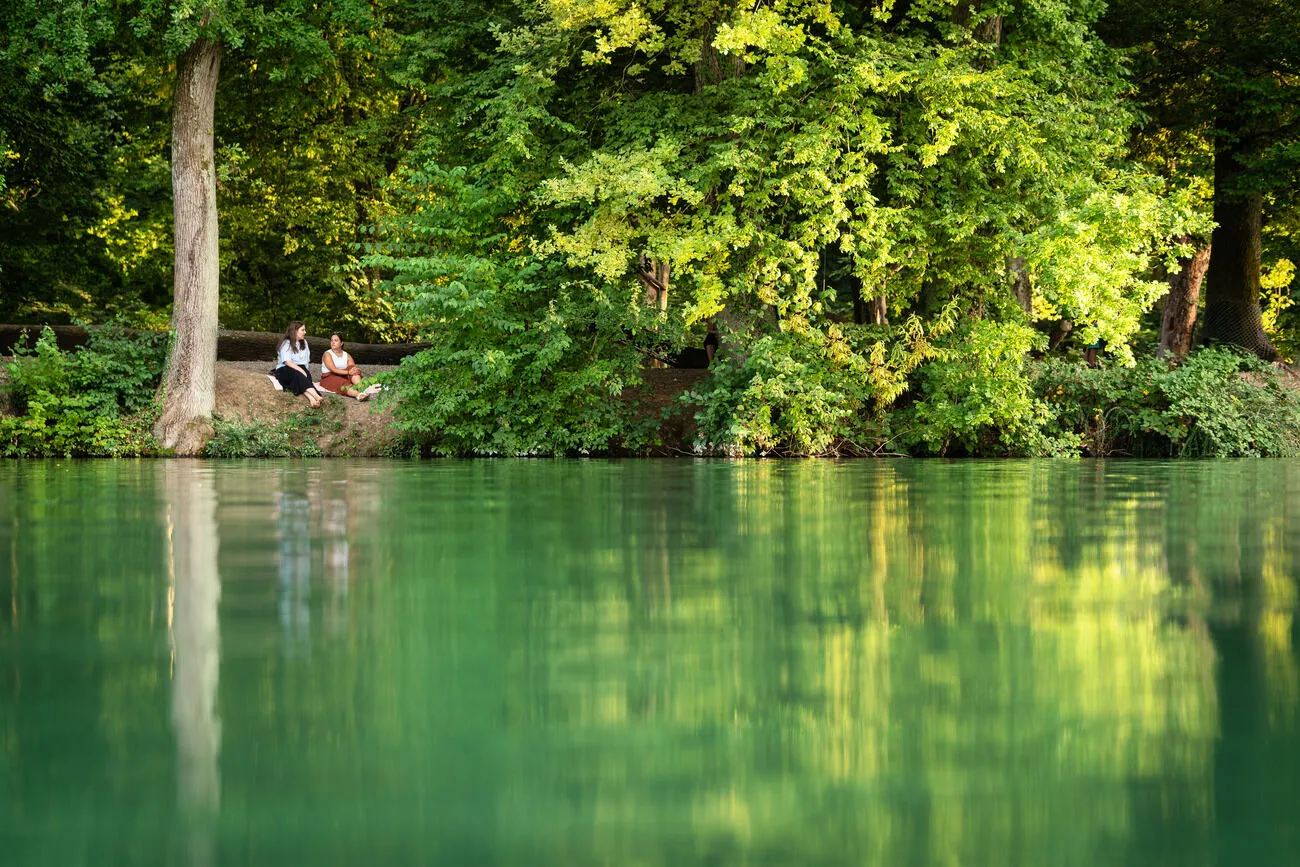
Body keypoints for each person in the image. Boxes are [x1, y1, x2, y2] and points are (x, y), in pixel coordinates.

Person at [274, 321, 324, 407]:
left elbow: (306, 362)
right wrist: (301, 371)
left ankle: (312, 400)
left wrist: (306, 373)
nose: (305, 332)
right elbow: (287, 362)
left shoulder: (304, 343)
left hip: (299, 370)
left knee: (301, 376)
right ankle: (315, 395)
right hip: (284, 369)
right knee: (298, 374)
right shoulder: (286, 343)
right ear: (295, 331)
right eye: (303, 330)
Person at [319, 333, 374, 401]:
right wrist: (348, 372)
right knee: (342, 383)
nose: (333, 342)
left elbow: (352, 369)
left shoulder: (346, 355)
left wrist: (356, 370)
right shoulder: (327, 354)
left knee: (352, 369)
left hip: (344, 375)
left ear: (341, 343)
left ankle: (361, 388)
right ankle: (358, 395)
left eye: (336, 340)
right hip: (329, 377)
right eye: (332, 340)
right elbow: (333, 369)